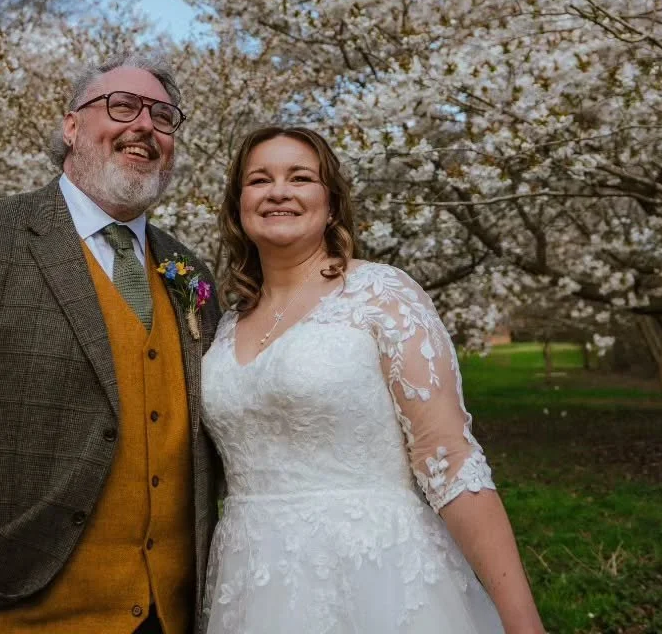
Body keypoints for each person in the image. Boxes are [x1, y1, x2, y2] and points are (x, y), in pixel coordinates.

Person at [0, 55, 221, 634]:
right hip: (3, 607)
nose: (145, 126)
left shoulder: (188, 271)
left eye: (164, 116)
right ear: (71, 127)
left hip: (167, 614)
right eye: (121, 106)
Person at [200, 125, 545, 634]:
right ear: (238, 206)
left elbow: (449, 458)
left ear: (331, 203)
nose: (278, 191)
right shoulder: (226, 324)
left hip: (375, 575)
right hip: (249, 580)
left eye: (300, 177)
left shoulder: (382, 296)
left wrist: (523, 623)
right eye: (259, 180)